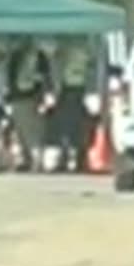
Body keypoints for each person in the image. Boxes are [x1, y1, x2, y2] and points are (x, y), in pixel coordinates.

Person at [6, 39, 53, 172]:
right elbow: (46, 79)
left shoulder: (17, 57)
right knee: (32, 132)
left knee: (26, 132)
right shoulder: (39, 57)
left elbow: (10, 79)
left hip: (24, 99)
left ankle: (33, 161)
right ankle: (33, 162)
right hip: (30, 98)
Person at [53, 42, 93, 172]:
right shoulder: (84, 59)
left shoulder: (68, 58)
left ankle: (67, 159)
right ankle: (77, 160)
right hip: (78, 92)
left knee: (67, 128)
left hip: (69, 92)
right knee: (77, 128)